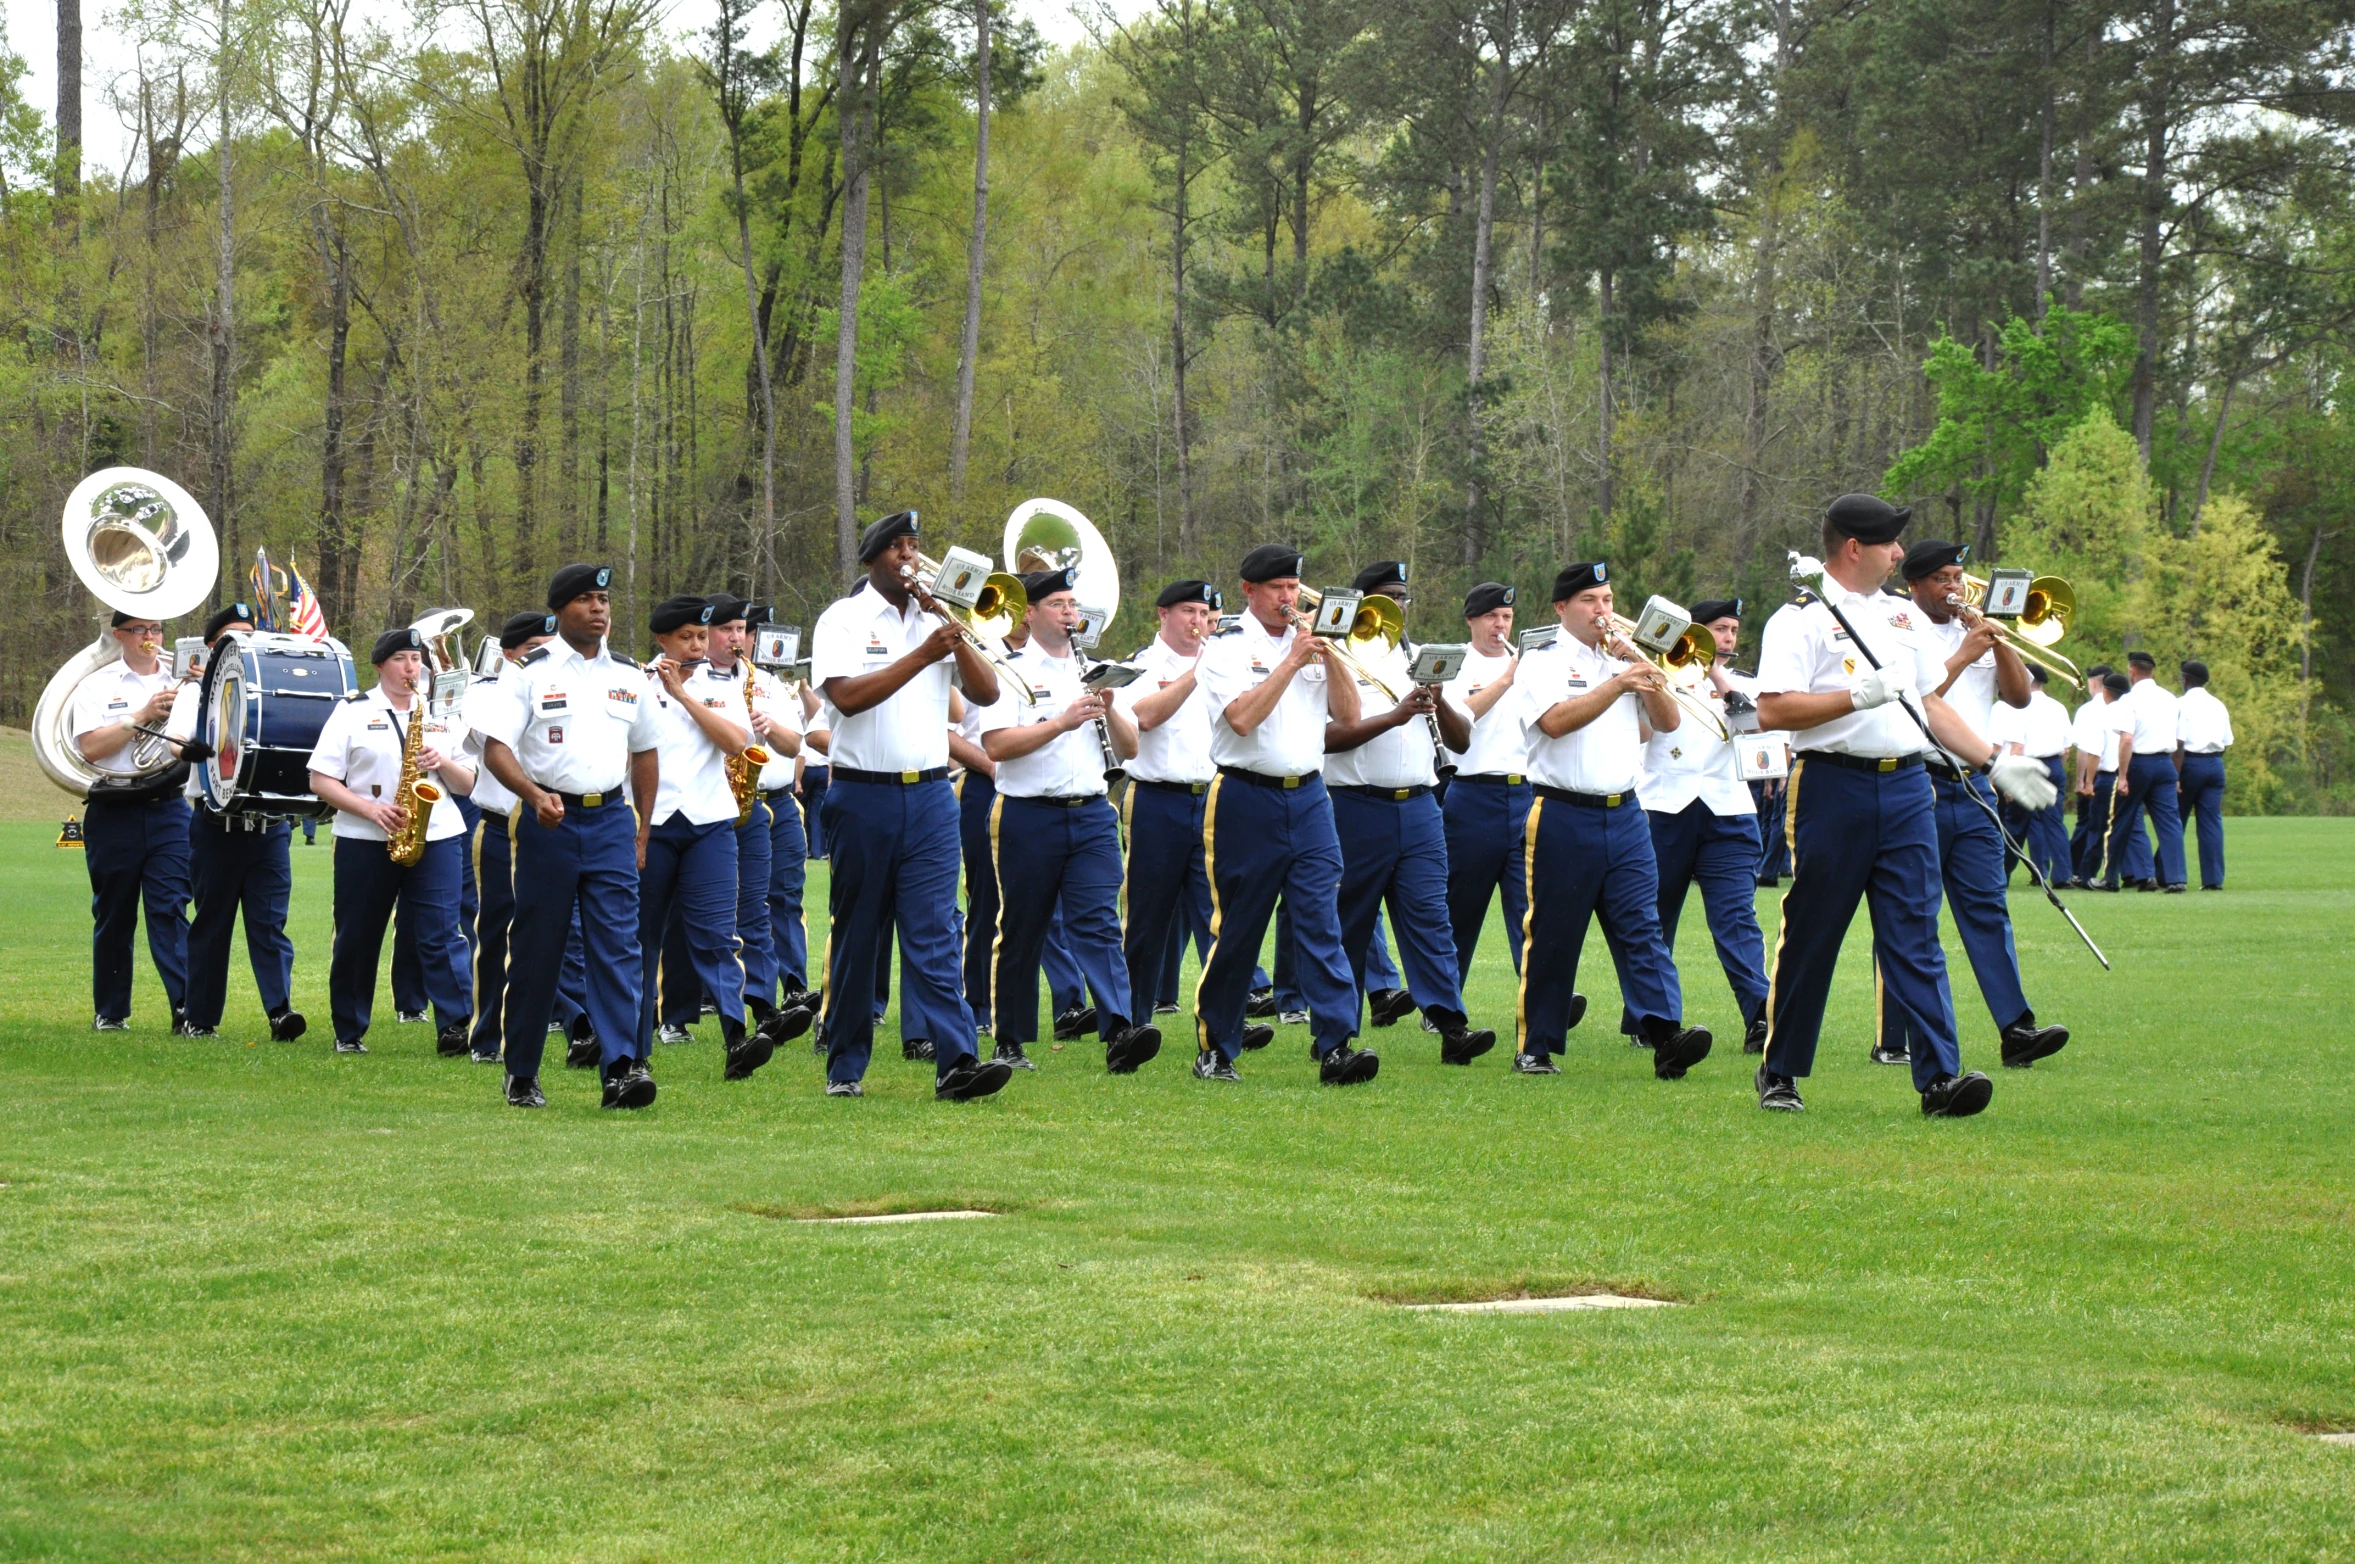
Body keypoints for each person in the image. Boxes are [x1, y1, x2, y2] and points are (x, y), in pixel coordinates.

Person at [1751, 495, 2056, 1117]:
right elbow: (1773, 709)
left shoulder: (1900, 617)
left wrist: (1991, 760)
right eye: (1889, 544)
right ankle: (1779, 1071)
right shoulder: (1799, 619)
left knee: (1916, 933)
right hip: (1832, 787)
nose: (1898, 554)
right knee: (1813, 935)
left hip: (1908, 785)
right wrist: (1854, 697)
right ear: (1854, 548)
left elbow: (1929, 703)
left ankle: (1941, 1078)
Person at [810, 511, 1008, 1101]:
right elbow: (845, 698)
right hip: (861, 795)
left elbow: (987, 692)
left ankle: (957, 1063)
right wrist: (923, 655)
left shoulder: (937, 619)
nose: (909, 556)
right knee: (859, 933)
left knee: (935, 932)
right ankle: (845, 1066)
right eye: (897, 547)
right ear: (873, 558)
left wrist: (954, 631)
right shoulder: (842, 620)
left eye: (914, 546)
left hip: (928, 797)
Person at [1511, 562, 1712, 1080]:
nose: (1604, 612)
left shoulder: (1625, 658)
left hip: (1626, 814)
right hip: (1561, 811)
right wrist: (1618, 682)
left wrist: (1644, 675)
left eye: (1607, 599)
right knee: (1555, 932)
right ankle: (1536, 1046)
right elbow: (1554, 723)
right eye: (1590, 601)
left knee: (1641, 928)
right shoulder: (1541, 660)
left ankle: (1666, 1035)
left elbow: (1667, 724)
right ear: (1561, 608)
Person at [473, 563, 664, 1109]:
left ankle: (622, 1068)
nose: (599, 609)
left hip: (609, 821)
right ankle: (522, 1069)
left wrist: (643, 826)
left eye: (603, 599)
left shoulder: (628, 674)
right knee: (539, 946)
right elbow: (496, 749)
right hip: (546, 822)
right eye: (585, 599)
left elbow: (646, 750)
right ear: (559, 610)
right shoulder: (528, 672)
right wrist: (533, 797)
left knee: (618, 948)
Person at [1876, 541, 2069, 1071]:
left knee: (1988, 907)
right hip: (1916, 781)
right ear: (1913, 585)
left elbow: (2020, 697)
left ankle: (2016, 1028)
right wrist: (1964, 651)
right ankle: (1892, 1035)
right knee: (1911, 913)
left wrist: (1999, 641)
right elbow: (1918, 694)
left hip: (1976, 786)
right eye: (1940, 579)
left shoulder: (1976, 626)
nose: (1953, 588)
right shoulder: (1897, 626)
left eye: (1957, 576)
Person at [1190, 544, 1370, 1084]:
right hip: (1245, 796)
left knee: (1321, 921)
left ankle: (1336, 1044)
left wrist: (1331, 652)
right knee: (1240, 927)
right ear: (1249, 591)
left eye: (1294, 587)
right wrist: (1293, 660)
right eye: (1276, 589)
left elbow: (1350, 713)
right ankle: (1216, 1046)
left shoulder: (1314, 640)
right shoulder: (1223, 645)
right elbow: (1242, 720)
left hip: (1311, 797)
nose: (1288, 598)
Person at [976, 566, 1160, 1073]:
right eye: (1057, 604)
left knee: (1099, 922)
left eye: (1072, 605)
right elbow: (996, 746)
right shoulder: (1008, 668)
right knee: (1022, 927)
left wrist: (1111, 706)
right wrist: (1061, 721)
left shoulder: (1096, 667)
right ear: (1029, 613)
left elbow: (1129, 748)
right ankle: (1009, 1040)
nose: (1069, 614)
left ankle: (1120, 1029)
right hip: (1028, 814)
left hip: (1093, 813)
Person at [1319, 560, 1495, 1065]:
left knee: (1430, 919)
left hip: (1419, 805)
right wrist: (1395, 715)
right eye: (1384, 597)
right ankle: (1334, 1035)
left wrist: (1437, 701)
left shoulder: (1423, 657)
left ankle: (1450, 1025)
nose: (1396, 606)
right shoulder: (1336, 657)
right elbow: (1327, 739)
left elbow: (1461, 739)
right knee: (1348, 923)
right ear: (1361, 605)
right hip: (1356, 804)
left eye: (1402, 597)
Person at [633, 593, 786, 1085]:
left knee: (718, 936)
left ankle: (736, 1036)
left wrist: (684, 694)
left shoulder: (721, 687)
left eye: (703, 636)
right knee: (643, 940)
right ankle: (633, 1050)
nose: (699, 646)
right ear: (662, 639)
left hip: (710, 824)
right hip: (652, 827)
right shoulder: (634, 684)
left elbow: (739, 742)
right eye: (688, 637)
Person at [306, 628, 477, 1056]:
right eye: (401, 659)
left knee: (441, 932)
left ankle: (456, 1025)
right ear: (380, 666)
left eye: (416, 659)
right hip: (366, 838)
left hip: (436, 834)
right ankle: (349, 1030)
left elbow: (468, 782)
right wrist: (371, 810)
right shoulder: (351, 712)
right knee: (359, 935)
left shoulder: (439, 712)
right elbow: (321, 779)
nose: (411, 667)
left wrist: (443, 763)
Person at [656, 595, 814, 1046]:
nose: (734, 637)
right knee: (683, 919)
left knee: (754, 910)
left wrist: (764, 726)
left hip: (751, 805)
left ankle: (762, 1007)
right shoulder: (676, 677)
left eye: (740, 629)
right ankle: (673, 1014)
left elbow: (792, 743)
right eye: (723, 630)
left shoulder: (760, 681)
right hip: (691, 810)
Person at [1631, 597, 1770, 1056]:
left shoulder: (1745, 683)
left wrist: (1716, 674)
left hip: (1728, 812)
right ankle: (1646, 1016)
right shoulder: (1656, 675)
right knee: (1655, 917)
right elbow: (1646, 733)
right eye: (1718, 630)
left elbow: (1756, 734)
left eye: (1732, 630)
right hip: (1665, 809)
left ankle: (1760, 1015)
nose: (1728, 638)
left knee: (1735, 918)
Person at [168, 603, 304, 1042]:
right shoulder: (195, 692)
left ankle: (280, 1013)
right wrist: (188, 749)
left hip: (268, 827)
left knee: (269, 924)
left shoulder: (270, 689)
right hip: (215, 827)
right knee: (212, 922)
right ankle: (200, 1017)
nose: (247, 640)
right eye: (235, 634)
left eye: (252, 632)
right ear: (213, 646)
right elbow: (176, 743)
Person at [72, 609, 194, 1031]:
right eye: (140, 629)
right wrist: (143, 715)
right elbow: (90, 748)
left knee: (171, 909)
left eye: (156, 628)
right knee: (114, 914)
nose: (150, 636)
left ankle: (186, 1010)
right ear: (119, 634)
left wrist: (198, 693)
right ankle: (110, 1011)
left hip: (169, 807)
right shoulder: (95, 685)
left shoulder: (183, 683)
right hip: (113, 808)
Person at [1116, 579, 1225, 1042]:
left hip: (1212, 798)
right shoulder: (1143, 663)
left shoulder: (1223, 663)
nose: (1197, 621)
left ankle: (1222, 1016)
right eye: (1187, 612)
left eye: (1203, 613)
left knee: (1218, 916)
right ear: (1163, 615)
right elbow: (1142, 716)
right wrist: (1197, 673)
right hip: (1156, 800)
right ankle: (1133, 1019)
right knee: (1147, 917)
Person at [464, 612, 561, 1066]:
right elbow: (493, 741)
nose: (544, 656)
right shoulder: (486, 691)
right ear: (508, 654)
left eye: (550, 646)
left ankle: (564, 1019)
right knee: (499, 930)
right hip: (504, 827)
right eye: (533, 648)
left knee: (564, 932)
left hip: (555, 828)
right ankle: (485, 1034)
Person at [1439, 582, 1534, 990]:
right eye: (1492, 617)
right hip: (1474, 794)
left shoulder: (1529, 663)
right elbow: (1460, 721)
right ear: (1472, 620)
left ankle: (1537, 990)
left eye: (1508, 617)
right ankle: (1445, 998)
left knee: (1528, 908)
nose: (1501, 625)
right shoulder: (1457, 663)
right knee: (1462, 907)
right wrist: (1507, 680)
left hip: (1525, 793)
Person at [2102, 650, 2185, 892]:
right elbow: (2179, 741)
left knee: (2121, 821)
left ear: (2132, 670)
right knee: (2170, 823)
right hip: (2165, 764)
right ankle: (2176, 878)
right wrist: (2176, 773)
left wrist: (2123, 775)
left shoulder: (2128, 700)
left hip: (2139, 763)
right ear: (2152, 671)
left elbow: (2127, 740)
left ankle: (2111, 877)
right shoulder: (2171, 699)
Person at [1988, 664, 2074, 886]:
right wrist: (2056, 769)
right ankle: (2063, 874)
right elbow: (2067, 748)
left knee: (2015, 825)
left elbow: (2017, 746)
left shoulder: (2018, 707)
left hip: (2026, 765)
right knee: (2055, 823)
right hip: (2054, 764)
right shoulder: (2058, 707)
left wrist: (2008, 784)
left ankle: (2002, 873)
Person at [2175, 660, 2233, 889]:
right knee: (2211, 823)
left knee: (2174, 822)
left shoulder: (2180, 704)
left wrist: (2176, 775)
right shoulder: (2218, 705)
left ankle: (2169, 873)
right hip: (2215, 764)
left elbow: (2178, 743)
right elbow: (2227, 742)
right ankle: (2213, 879)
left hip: (2189, 763)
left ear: (2186, 679)